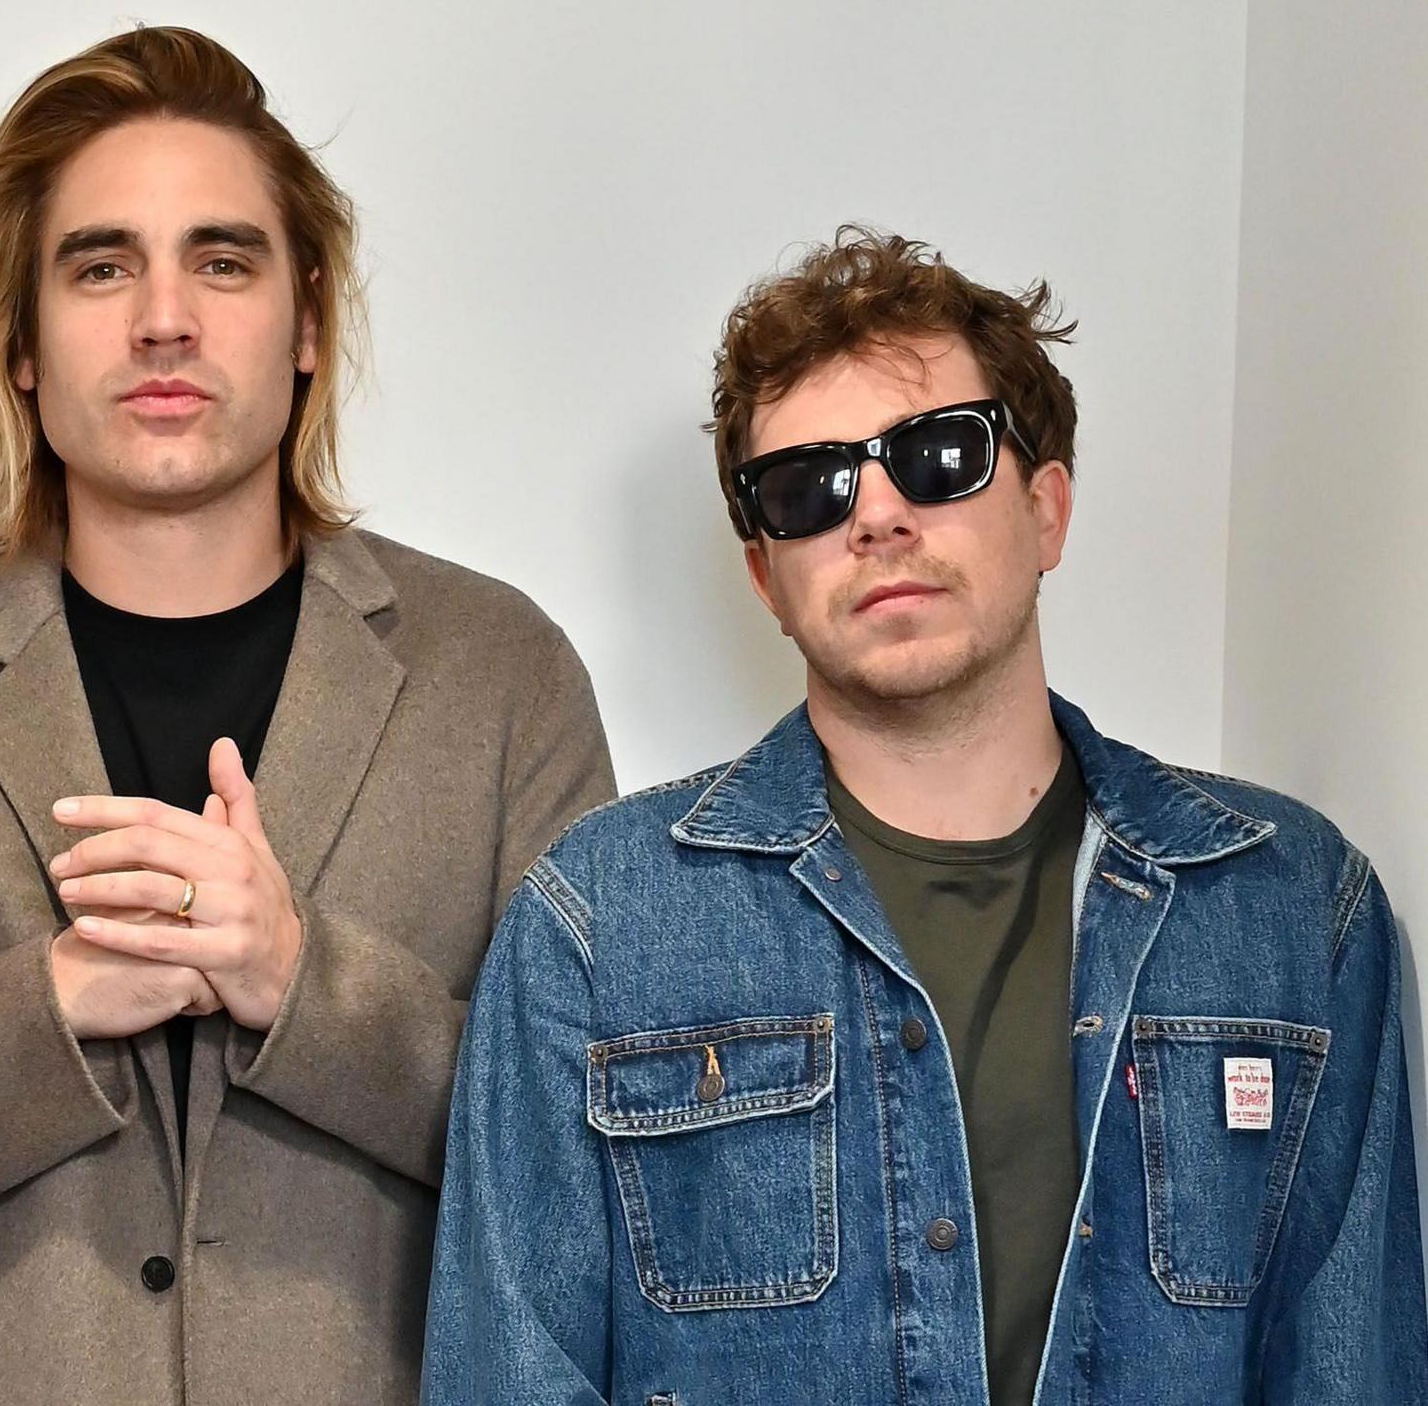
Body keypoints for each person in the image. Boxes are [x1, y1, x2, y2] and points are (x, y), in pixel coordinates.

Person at [0, 25, 615, 1405]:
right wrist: (47, 1007)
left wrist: (299, 981)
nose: (166, 318)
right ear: (23, 348)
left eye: (223, 260)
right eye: (101, 267)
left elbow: (609, 1154)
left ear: (311, 323)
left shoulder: (502, 676)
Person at [425, 227, 1426, 1403]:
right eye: (809, 488)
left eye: (940, 455)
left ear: (1046, 510)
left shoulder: (1293, 911)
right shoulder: (596, 927)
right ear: (765, 576)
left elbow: (1351, 1371)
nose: (879, 515)